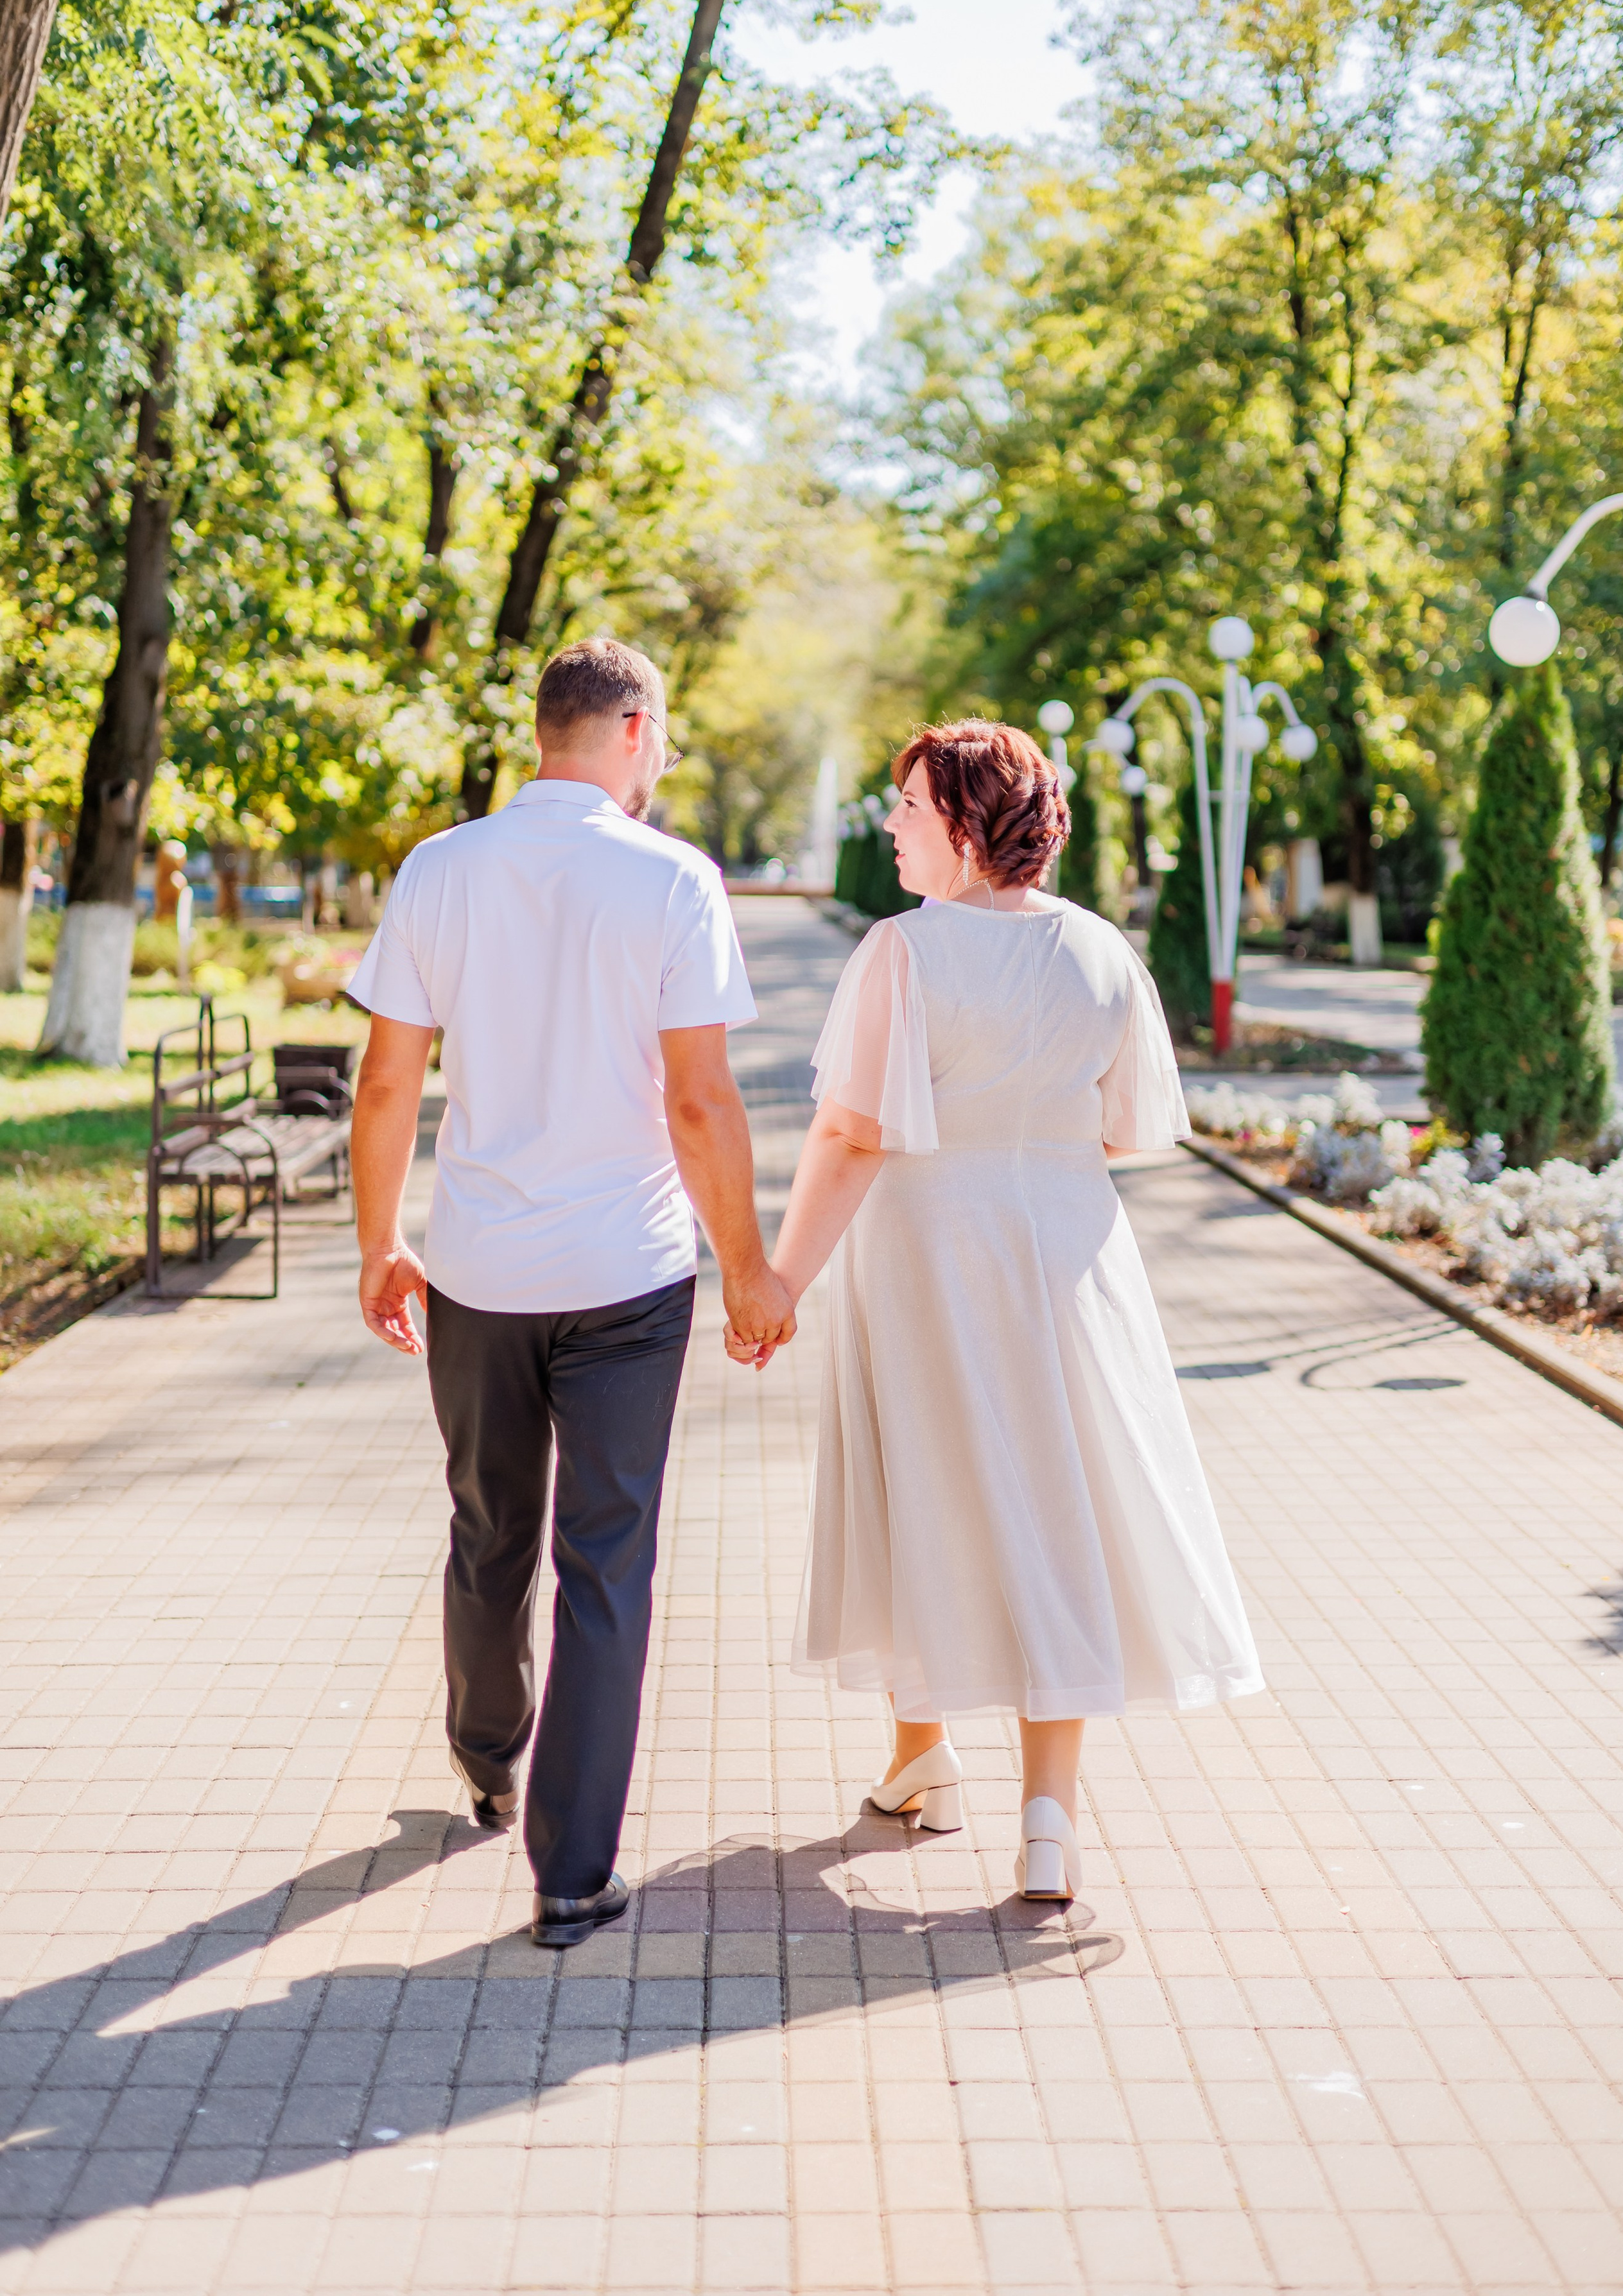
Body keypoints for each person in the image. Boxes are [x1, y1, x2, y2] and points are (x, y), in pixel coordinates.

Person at [729, 720, 1262, 1901]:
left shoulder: (904, 954)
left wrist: (780, 1283)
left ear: (966, 828)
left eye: (911, 808)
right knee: (1055, 1503)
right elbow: (1132, 1129)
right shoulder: (1105, 952)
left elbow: (851, 1130)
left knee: (918, 1483)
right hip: (1071, 1253)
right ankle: (1039, 1818)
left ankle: (929, 1753)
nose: (893, 826)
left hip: (926, 1249)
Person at [348, 637, 795, 1947]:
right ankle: (570, 1872)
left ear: (545, 732)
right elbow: (700, 1099)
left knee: (488, 1528)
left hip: (477, 1269)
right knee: (606, 1562)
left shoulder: (441, 868)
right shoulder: (670, 880)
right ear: (636, 729)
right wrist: (749, 1266)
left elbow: (387, 1084)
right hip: (627, 1278)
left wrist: (380, 1245)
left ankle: (486, 1758)